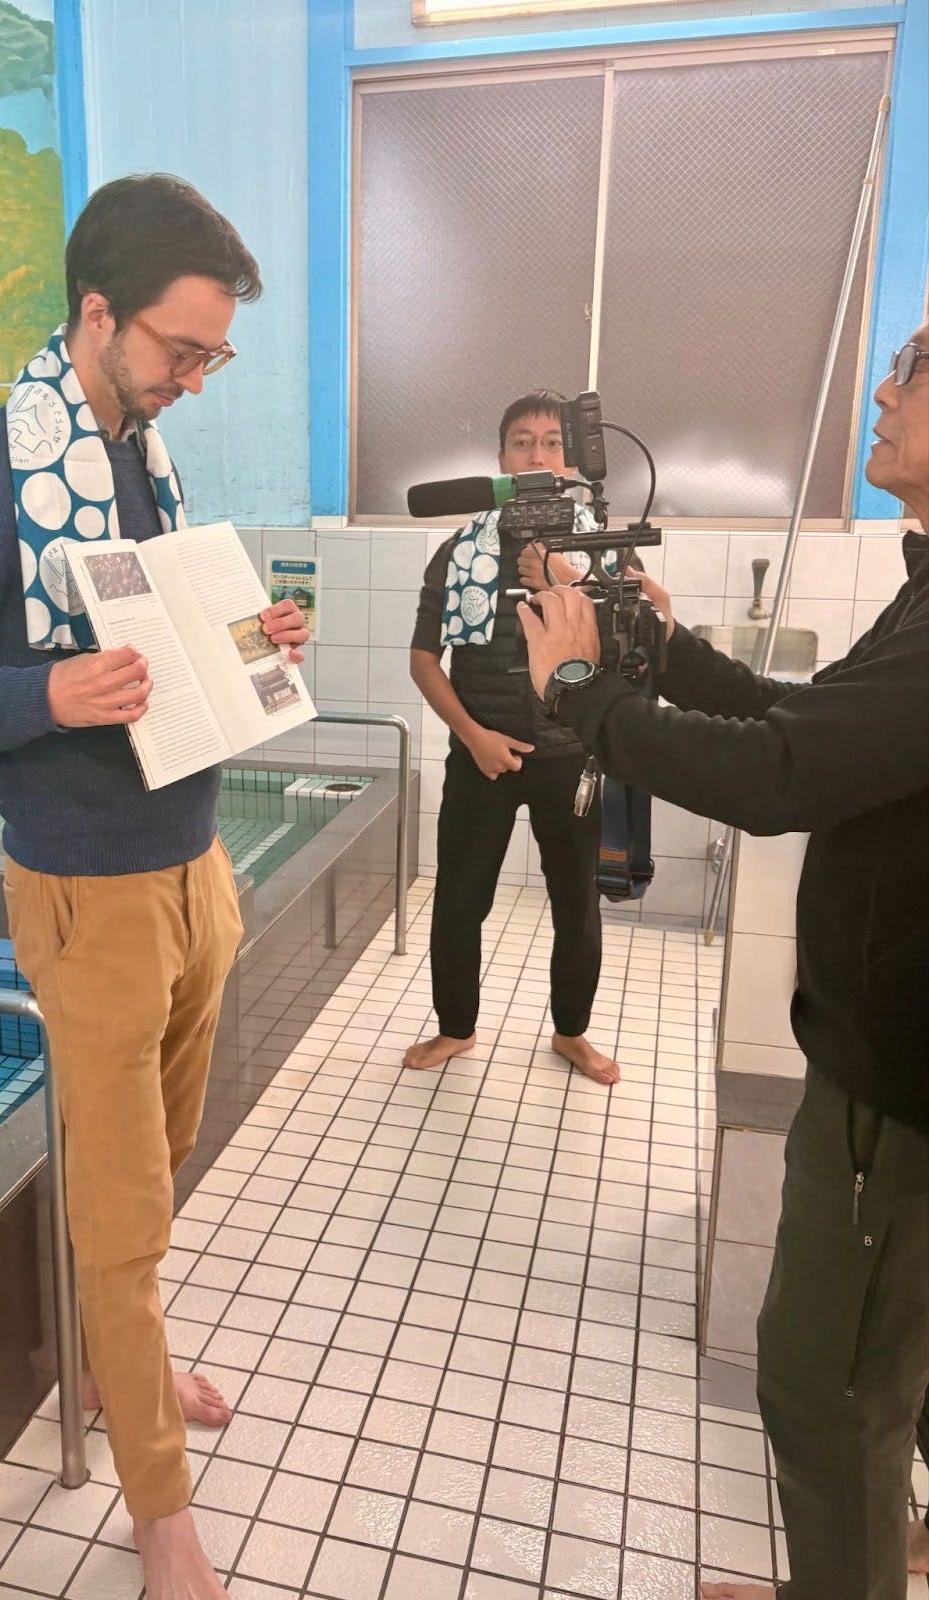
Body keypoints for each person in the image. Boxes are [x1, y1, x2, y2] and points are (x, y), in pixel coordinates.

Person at [0, 175, 309, 1600]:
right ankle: (159, 1512)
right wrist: (46, 694)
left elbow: (156, 644)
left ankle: (131, 1361)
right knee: (119, 1215)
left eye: (214, 355)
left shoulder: (139, 461)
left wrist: (253, 637)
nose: (195, 378)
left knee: (156, 1172)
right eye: (183, 349)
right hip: (89, 896)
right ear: (99, 313)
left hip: (195, 867)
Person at [519, 327, 929, 1600]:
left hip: (898, 1096)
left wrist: (583, 690)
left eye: (913, 367)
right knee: (897, 1371)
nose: (881, 388)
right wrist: (664, 650)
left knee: (824, 1383)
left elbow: (777, 775)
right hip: (896, 1069)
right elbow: (808, 721)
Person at [405, 390, 620, 1085]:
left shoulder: (600, 551)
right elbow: (424, 660)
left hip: (571, 757)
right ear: (501, 459)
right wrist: (473, 736)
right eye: (523, 441)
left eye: (553, 443)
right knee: (459, 899)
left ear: (571, 461)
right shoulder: (457, 551)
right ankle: (456, 1028)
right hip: (482, 755)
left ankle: (572, 1033)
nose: (537, 454)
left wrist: (565, 578)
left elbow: (626, 651)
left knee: (576, 904)